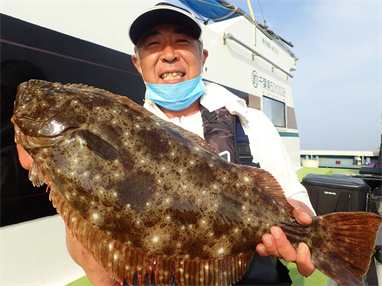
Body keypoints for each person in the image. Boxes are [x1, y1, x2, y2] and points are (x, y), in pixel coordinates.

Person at [16, 3, 316, 286]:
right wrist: (61, 181)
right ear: (137, 62)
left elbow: (293, 199)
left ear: (204, 55)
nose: (169, 54)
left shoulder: (252, 124)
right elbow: (103, 277)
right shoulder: (120, 128)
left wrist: (300, 220)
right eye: (153, 44)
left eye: (182, 41)